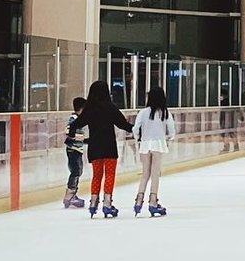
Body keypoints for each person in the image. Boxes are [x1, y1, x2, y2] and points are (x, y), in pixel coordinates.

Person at [68, 81, 133, 217]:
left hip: (95, 147)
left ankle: (93, 203)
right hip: (109, 147)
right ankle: (107, 203)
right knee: (109, 174)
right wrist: (137, 130)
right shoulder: (110, 107)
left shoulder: (89, 109)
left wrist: (72, 133)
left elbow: (77, 123)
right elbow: (122, 124)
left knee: (96, 175)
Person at [132, 86, 177, 216]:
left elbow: (136, 128)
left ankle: (138, 201)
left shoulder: (143, 112)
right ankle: (153, 202)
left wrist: (137, 138)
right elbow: (171, 129)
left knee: (145, 173)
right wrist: (169, 138)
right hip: (158, 144)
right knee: (155, 174)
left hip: (145, 144)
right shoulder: (165, 113)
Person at [63, 96, 87, 208]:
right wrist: (81, 139)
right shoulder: (73, 118)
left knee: (78, 171)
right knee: (76, 171)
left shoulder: (79, 119)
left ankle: (73, 194)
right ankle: (69, 195)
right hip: (73, 149)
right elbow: (68, 132)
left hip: (77, 149)